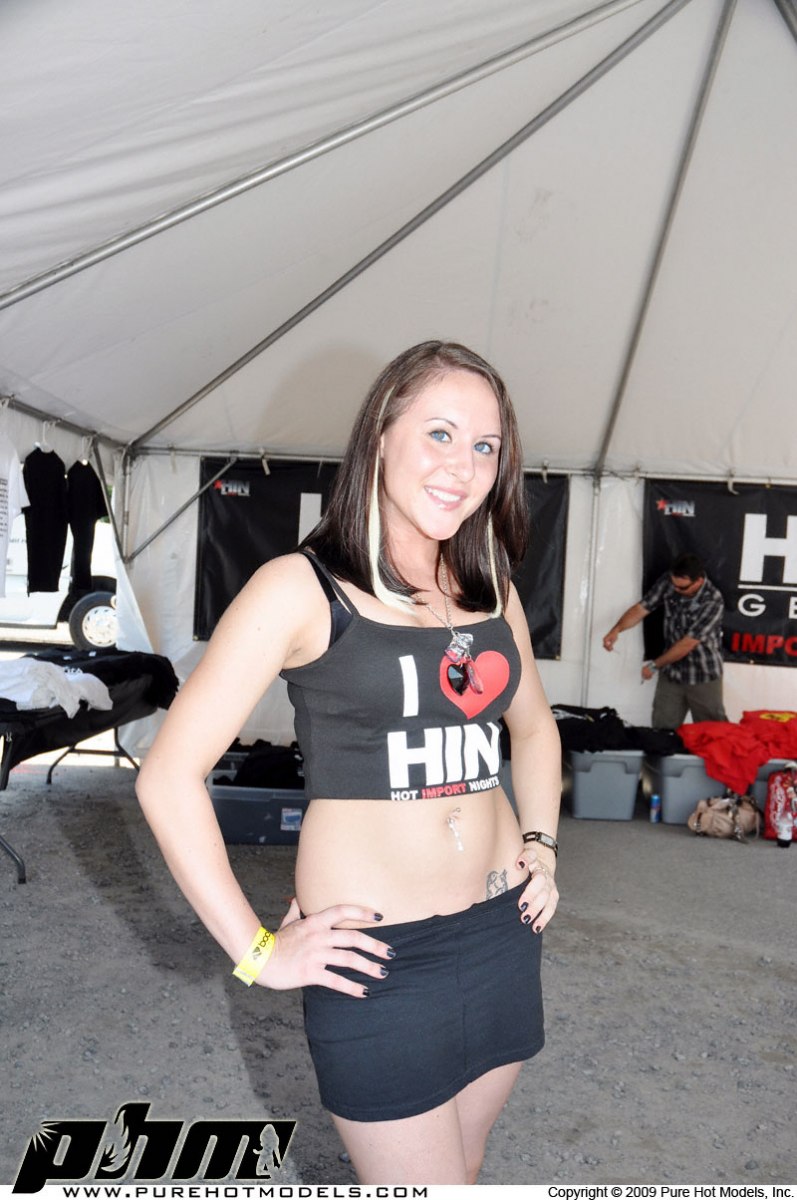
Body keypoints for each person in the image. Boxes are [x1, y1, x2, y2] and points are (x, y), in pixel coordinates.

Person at [136, 341, 561, 1185]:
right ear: (381, 434)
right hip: (377, 957)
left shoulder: (489, 584)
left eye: (485, 446)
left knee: (464, 1169)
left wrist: (542, 846)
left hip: (502, 930)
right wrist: (258, 951)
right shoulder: (299, 588)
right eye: (439, 433)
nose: (463, 466)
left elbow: (537, 730)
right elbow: (166, 777)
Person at [602, 552, 727, 728]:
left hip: (703, 673)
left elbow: (687, 644)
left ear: (699, 581)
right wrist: (617, 629)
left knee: (712, 732)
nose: (676, 590)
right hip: (671, 672)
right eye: (673, 584)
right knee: (662, 729)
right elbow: (642, 608)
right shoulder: (670, 582)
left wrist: (655, 665)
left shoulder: (713, 600)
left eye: (682, 588)